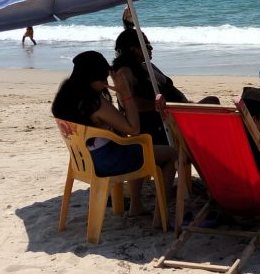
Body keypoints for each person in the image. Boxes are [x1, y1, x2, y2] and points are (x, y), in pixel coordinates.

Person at [51, 50, 176, 223]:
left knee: (139, 146)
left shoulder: (65, 96)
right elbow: (134, 127)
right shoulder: (94, 102)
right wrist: (126, 93)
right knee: (169, 154)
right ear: (90, 78)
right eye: (102, 79)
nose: (105, 83)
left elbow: (122, 132)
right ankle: (160, 218)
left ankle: (136, 206)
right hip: (107, 162)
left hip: (84, 160)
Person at [112, 29, 219, 145]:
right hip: (165, 123)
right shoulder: (124, 72)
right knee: (213, 105)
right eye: (147, 45)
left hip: (177, 114)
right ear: (133, 49)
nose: (151, 48)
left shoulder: (144, 67)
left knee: (212, 102)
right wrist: (160, 106)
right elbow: (127, 102)